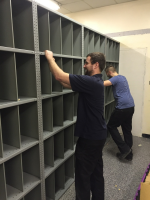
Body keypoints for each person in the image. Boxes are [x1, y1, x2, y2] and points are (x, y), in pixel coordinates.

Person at [45, 50, 107, 200]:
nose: (84, 65)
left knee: (82, 177)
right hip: (98, 136)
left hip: (90, 138)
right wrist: (54, 70)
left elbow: (59, 76)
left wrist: (50, 59)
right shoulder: (95, 82)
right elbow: (64, 81)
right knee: (96, 173)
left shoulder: (91, 82)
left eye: (86, 62)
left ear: (96, 65)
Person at [104, 66, 135, 161]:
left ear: (109, 72)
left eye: (106, 74)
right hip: (130, 106)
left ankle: (125, 149)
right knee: (126, 129)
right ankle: (128, 153)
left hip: (122, 108)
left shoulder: (115, 78)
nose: (107, 76)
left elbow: (103, 84)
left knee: (111, 126)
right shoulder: (122, 77)